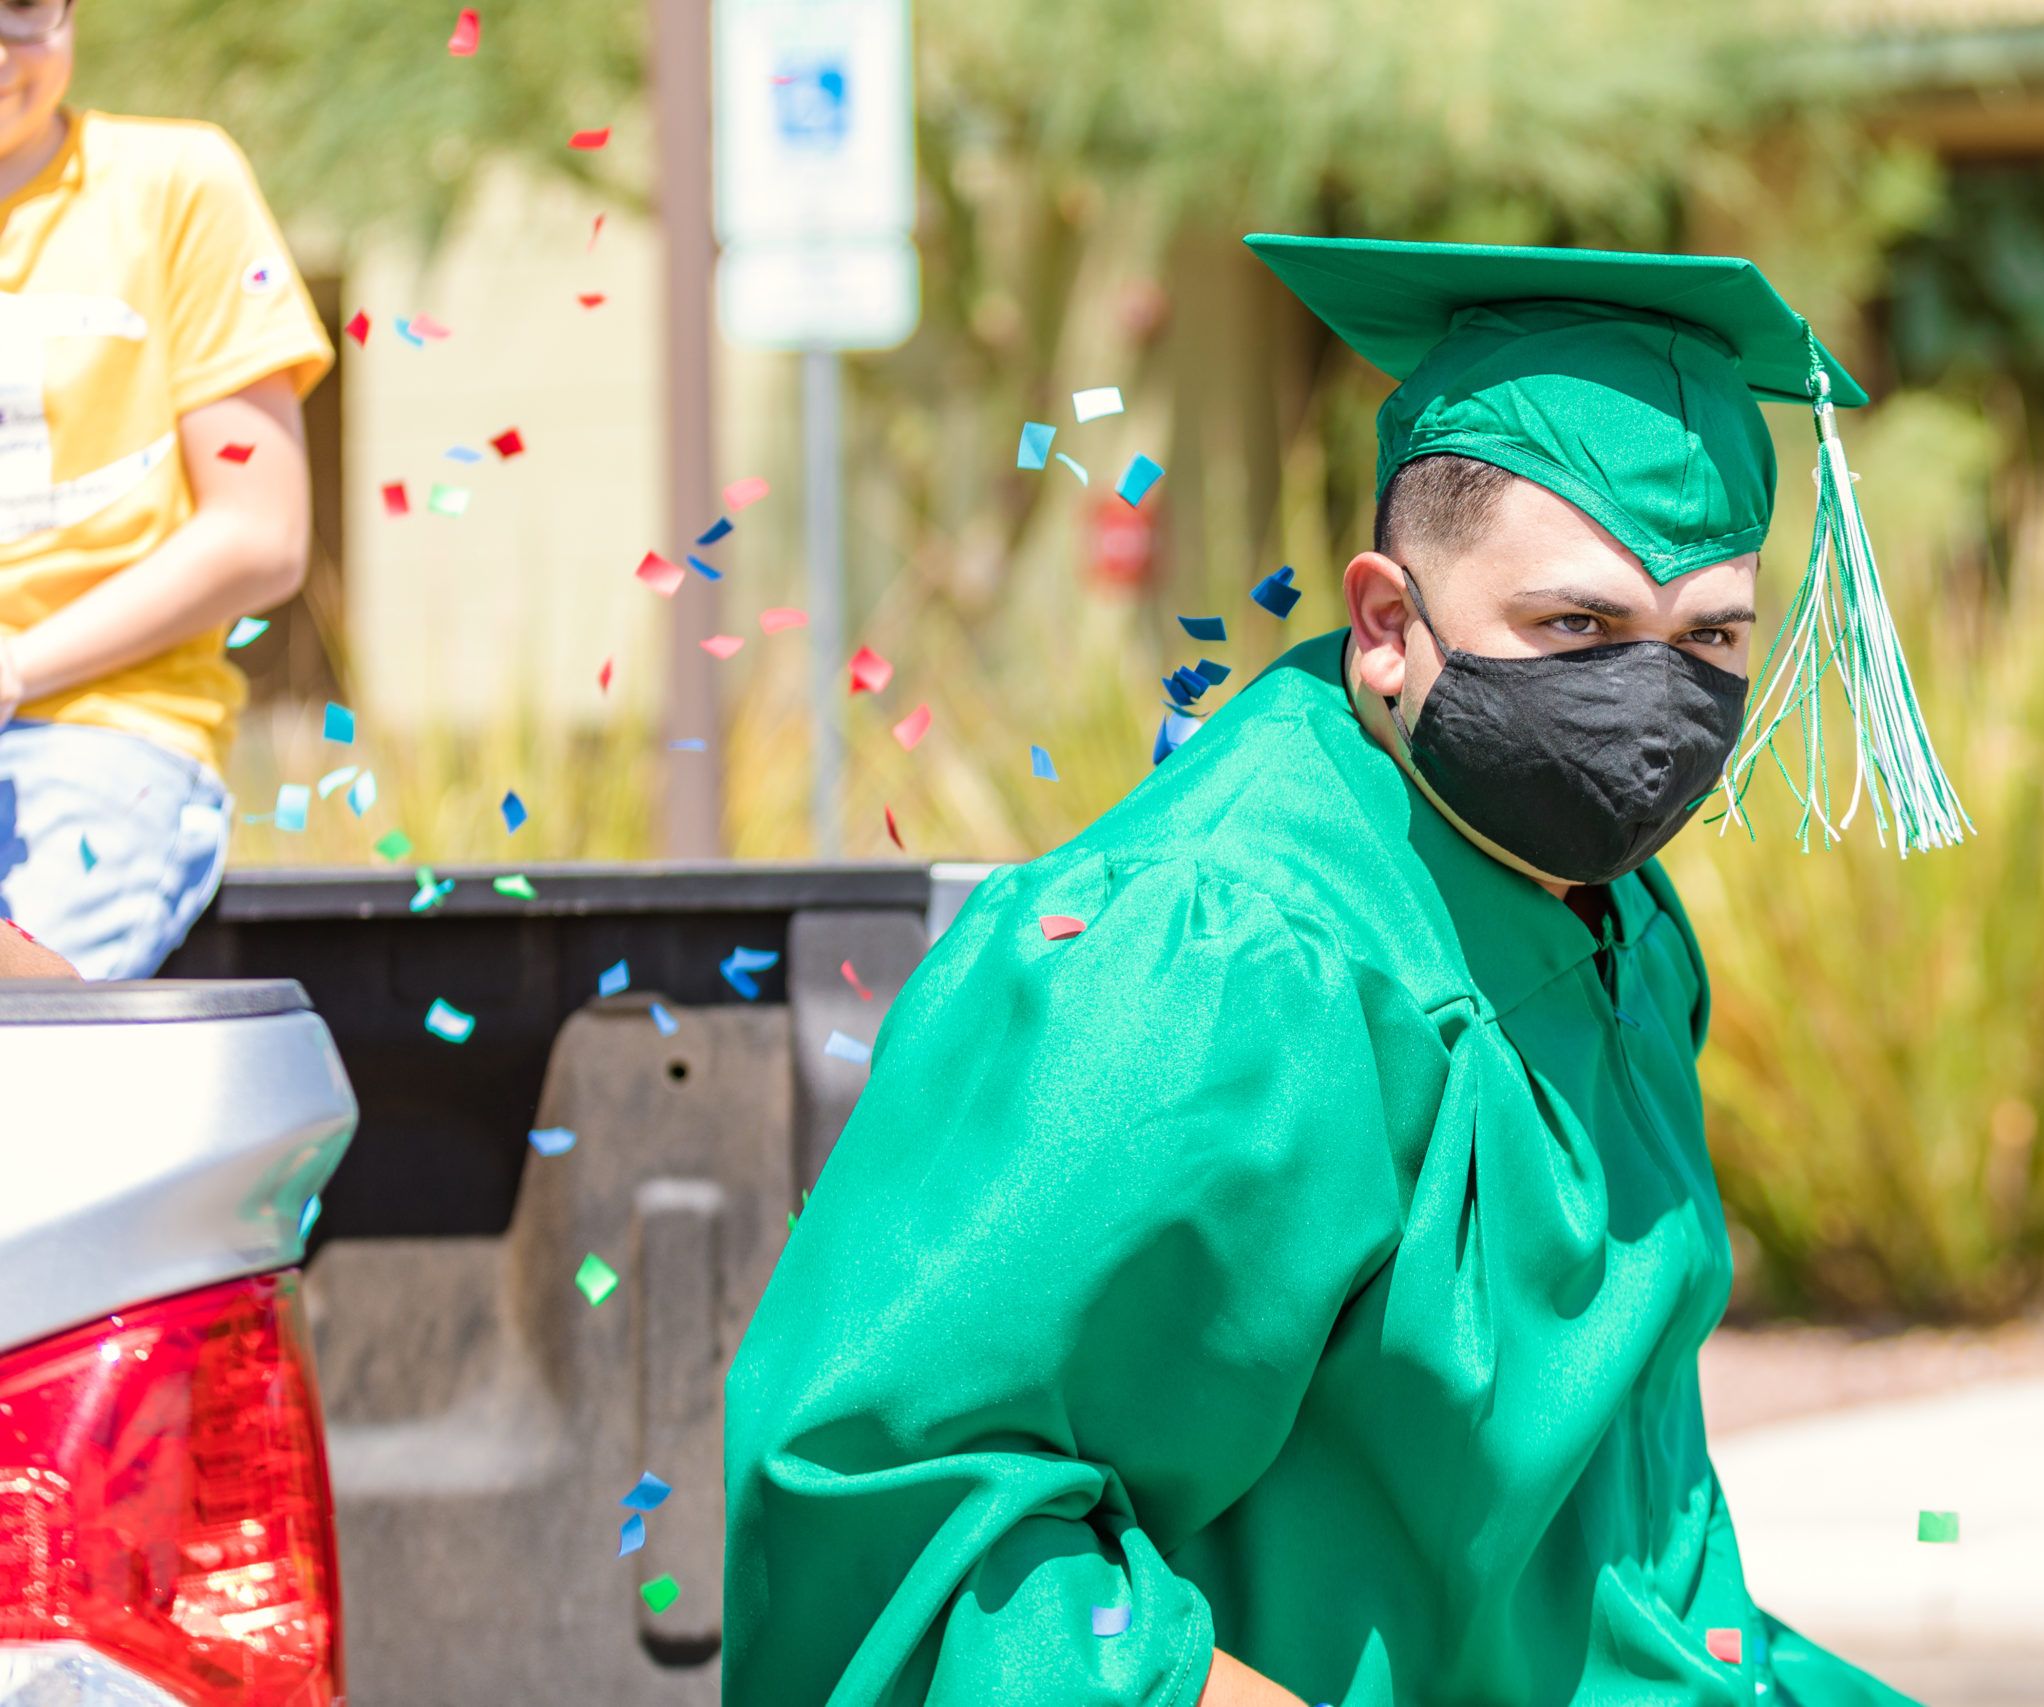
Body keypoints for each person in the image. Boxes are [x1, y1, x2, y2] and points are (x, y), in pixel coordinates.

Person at [723, 236, 1954, 1707]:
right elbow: (897, 1495)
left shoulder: (1609, 914)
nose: (1651, 706)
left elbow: (1623, 1560)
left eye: (1710, 639)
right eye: (1576, 626)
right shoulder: (1220, 959)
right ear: (1386, 626)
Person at [0, 0, 334, 979]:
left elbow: (261, 533)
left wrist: (16, 668)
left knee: (28, 1030)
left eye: (24, 7)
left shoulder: (172, 184)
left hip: (101, 728)